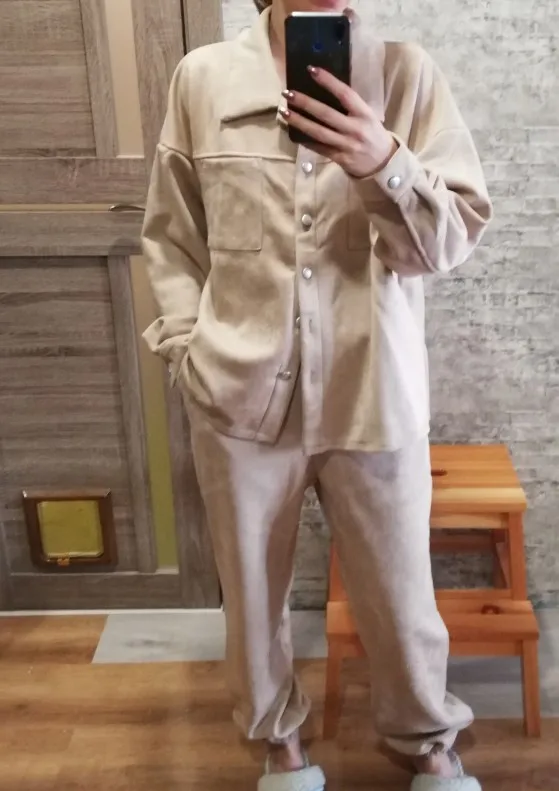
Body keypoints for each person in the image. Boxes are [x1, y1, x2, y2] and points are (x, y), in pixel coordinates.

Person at [142, 0, 492, 789]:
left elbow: (448, 243)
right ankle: (281, 744)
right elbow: (171, 235)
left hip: (372, 388)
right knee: (251, 594)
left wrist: (384, 161)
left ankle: (426, 741)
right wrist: (185, 347)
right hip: (237, 392)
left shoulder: (405, 76)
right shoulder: (202, 79)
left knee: (401, 597)